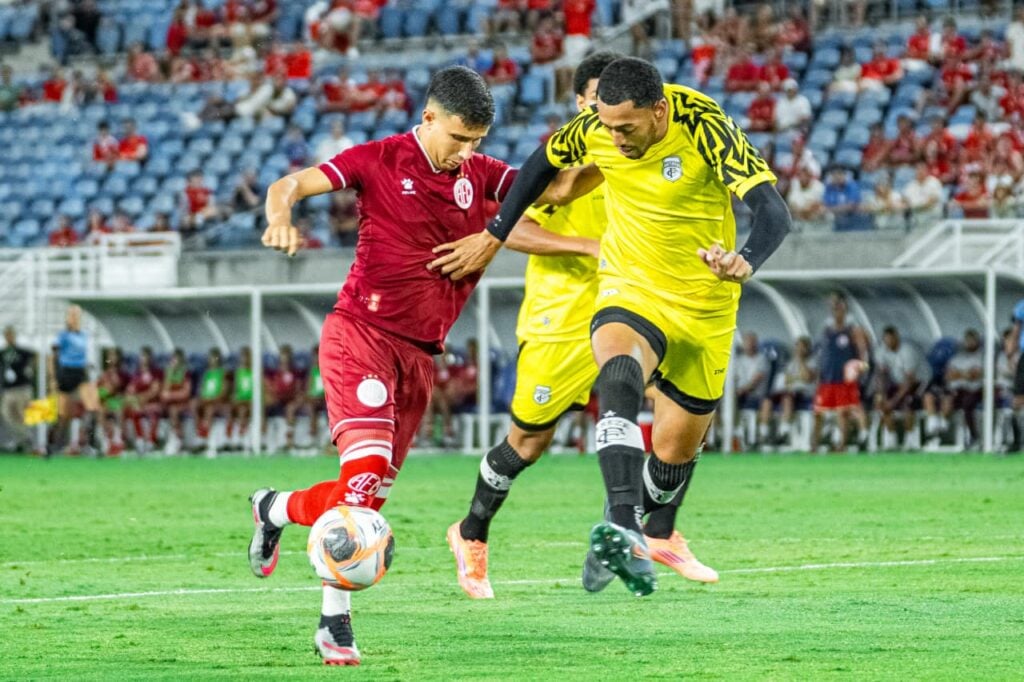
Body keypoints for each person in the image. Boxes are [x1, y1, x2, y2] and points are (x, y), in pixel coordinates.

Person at [246, 66, 595, 665]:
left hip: (419, 357)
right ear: (428, 117)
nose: (467, 153)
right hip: (361, 333)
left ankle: (273, 507)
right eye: (458, 139)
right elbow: (290, 186)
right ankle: (335, 625)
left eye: (477, 142)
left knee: (367, 495)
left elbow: (557, 191)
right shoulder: (379, 159)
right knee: (366, 473)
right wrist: (280, 218)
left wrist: (614, 155)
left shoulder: (481, 176)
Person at [430, 57, 792, 597]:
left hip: (705, 305)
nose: (615, 137)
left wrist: (745, 260)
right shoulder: (593, 135)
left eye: (625, 126)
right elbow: (537, 172)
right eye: (605, 122)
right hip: (616, 294)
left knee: (675, 453)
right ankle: (612, 524)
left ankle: (652, 530)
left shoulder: (704, 126)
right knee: (585, 400)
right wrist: (494, 234)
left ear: (658, 110)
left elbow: (774, 211)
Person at [810, 292, 871, 452]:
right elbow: (822, 354)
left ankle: (842, 445)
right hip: (826, 378)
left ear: (844, 308)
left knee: (843, 412)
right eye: (833, 307)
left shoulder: (853, 329)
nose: (835, 310)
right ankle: (813, 445)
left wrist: (860, 370)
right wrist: (818, 374)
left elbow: (863, 351)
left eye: (838, 306)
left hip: (844, 379)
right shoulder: (826, 329)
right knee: (817, 413)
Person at [49, 305, 101, 455]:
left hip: (81, 373)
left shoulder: (84, 335)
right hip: (66, 374)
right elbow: (53, 357)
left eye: (77, 315)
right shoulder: (62, 336)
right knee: (64, 415)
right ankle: (53, 446)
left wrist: (89, 365)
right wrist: (53, 378)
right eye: (72, 315)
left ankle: (90, 444)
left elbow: (86, 355)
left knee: (93, 407)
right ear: (67, 318)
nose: (74, 318)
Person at [873, 326, 925, 451]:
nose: (888, 342)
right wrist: (881, 396)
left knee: (908, 405)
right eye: (886, 340)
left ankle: (910, 440)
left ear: (896, 338)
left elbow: (909, 381)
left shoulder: (907, 352)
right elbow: (881, 376)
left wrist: (893, 401)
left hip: (918, 384)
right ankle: (891, 440)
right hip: (896, 383)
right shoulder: (881, 352)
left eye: (891, 339)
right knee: (882, 405)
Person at [1, 326, 36, 453]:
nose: (9, 337)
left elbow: (34, 356)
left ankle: (24, 442)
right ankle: (24, 438)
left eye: (10, 335)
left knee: (22, 415)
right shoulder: (3, 352)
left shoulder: (22, 351)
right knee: (6, 414)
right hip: (9, 390)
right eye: (7, 335)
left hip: (22, 388)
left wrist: (30, 370)